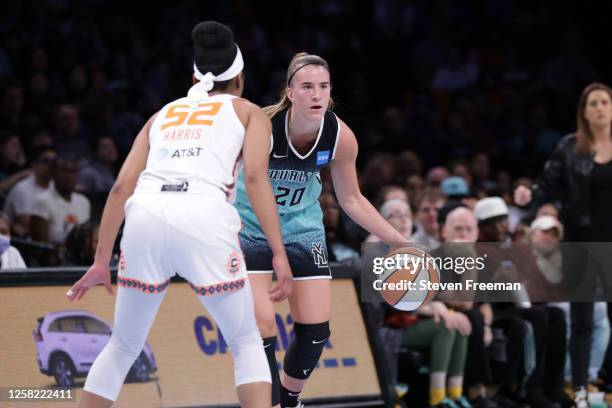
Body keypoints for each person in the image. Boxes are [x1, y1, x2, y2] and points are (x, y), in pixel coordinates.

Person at [65, 21, 293, 408]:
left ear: (194, 76)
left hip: (145, 215)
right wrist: (279, 252)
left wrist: (102, 259)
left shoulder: (163, 114)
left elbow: (121, 188)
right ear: (239, 78)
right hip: (203, 215)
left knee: (122, 345)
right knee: (245, 341)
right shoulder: (250, 113)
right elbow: (255, 178)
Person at [234, 52, 408, 408]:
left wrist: (398, 241)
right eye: (308, 86)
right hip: (251, 227)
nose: (317, 95)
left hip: (302, 229)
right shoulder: (262, 127)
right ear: (290, 92)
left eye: (324, 87)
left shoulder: (340, 138)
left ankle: (289, 399)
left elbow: (352, 199)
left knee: (315, 333)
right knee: (261, 325)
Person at [514, 82, 612, 408]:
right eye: (593, 103)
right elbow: (546, 184)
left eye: (604, 102)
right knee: (582, 321)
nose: (599, 108)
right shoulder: (570, 147)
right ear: (584, 112)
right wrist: (529, 193)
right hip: (581, 244)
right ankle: (581, 391)